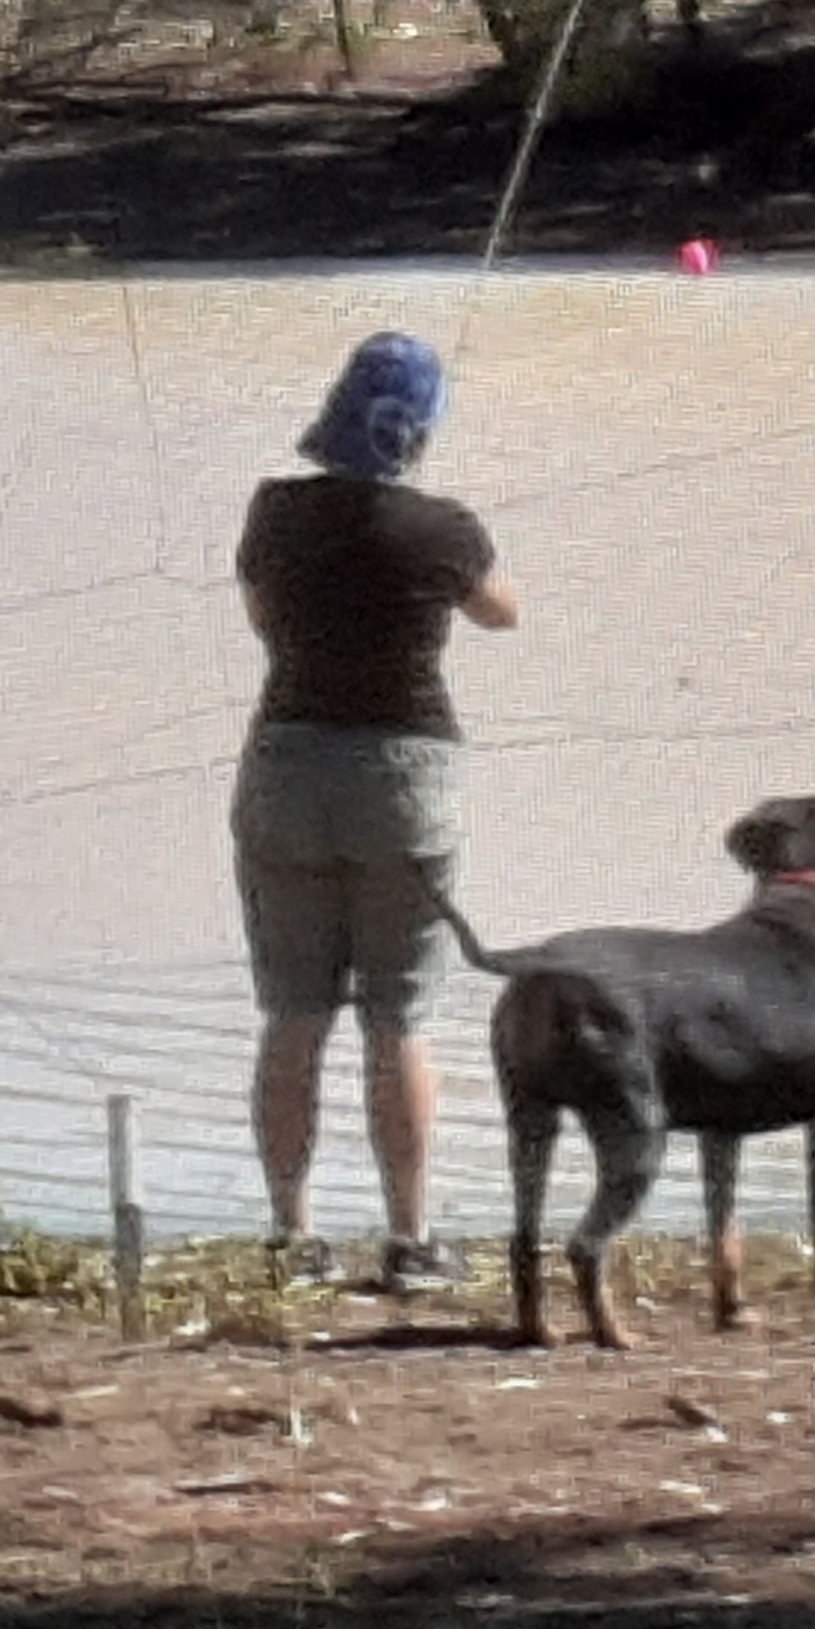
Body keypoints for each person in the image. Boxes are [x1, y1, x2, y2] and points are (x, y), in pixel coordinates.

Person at [228, 328, 519, 1291]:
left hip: (289, 762)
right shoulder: (441, 530)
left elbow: (264, 618)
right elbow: (501, 611)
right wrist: (437, 529)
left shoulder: (276, 514)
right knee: (399, 1016)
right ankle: (408, 1239)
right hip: (406, 775)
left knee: (293, 1013)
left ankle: (291, 1237)